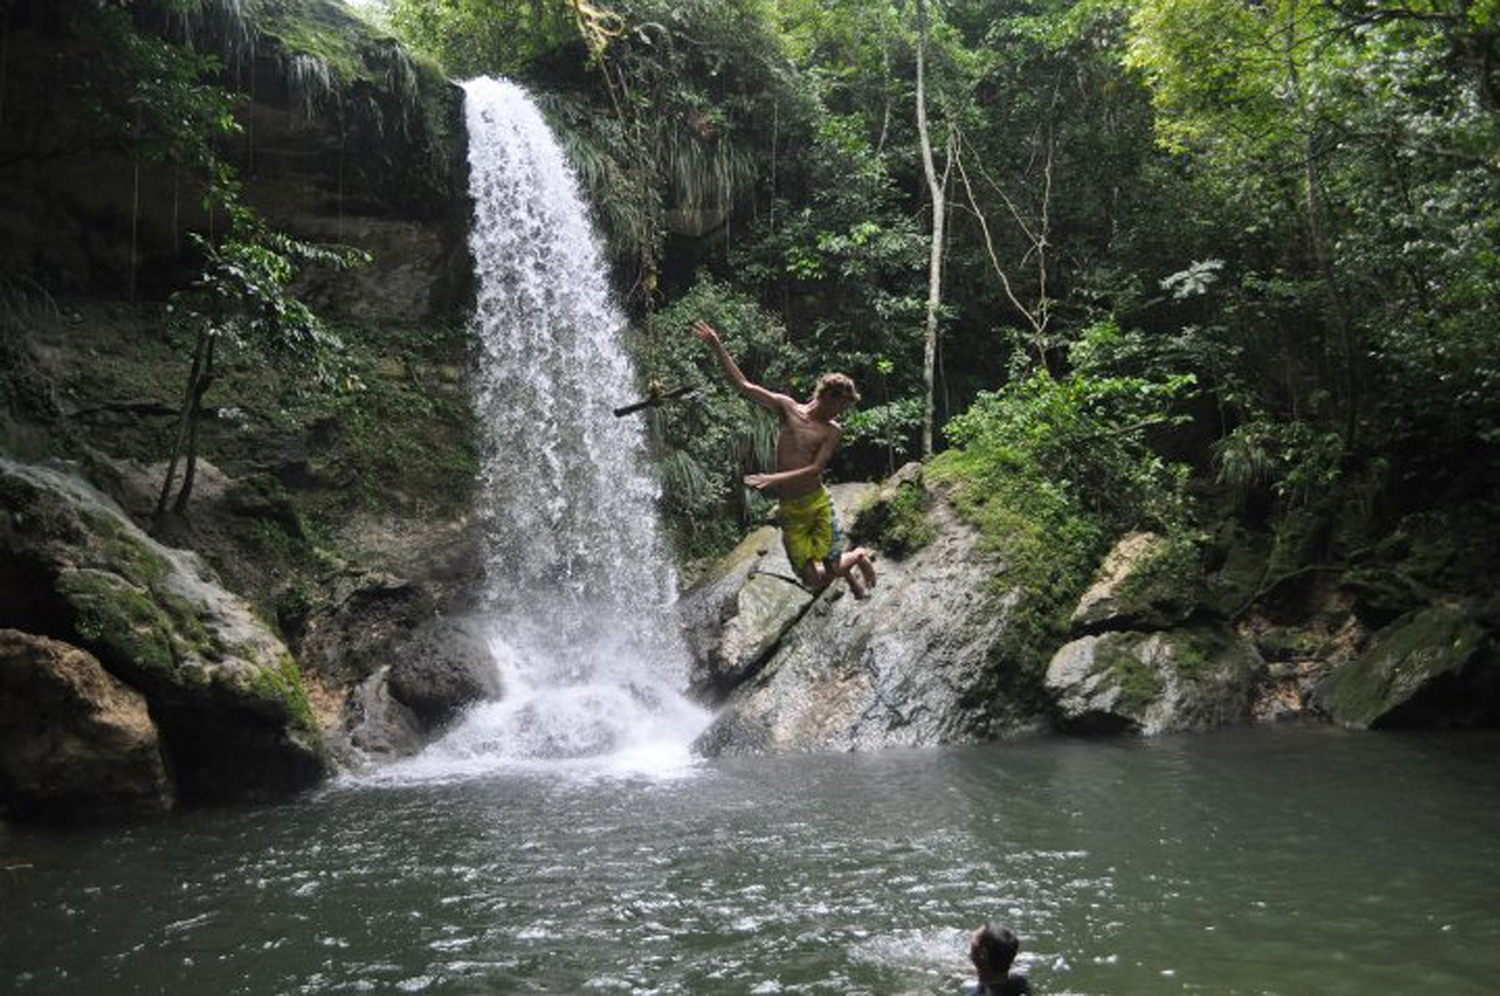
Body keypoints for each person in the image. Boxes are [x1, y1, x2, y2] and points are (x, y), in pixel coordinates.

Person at [692, 319, 878, 598]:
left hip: (817, 504)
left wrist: (772, 478)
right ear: (828, 396)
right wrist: (717, 346)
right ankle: (854, 565)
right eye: (840, 406)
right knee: (811, 579)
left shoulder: (832, 430)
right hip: (791, 510)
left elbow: (815, 468)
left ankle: (857, 556)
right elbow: (744, 385)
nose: (840, 413)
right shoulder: (788, 409)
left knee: (833, 561)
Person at [967, 923, 1031, 995]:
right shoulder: (1020, 982)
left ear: (982, 954)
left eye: (974, 937)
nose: (971, 934)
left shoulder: (976, 994)